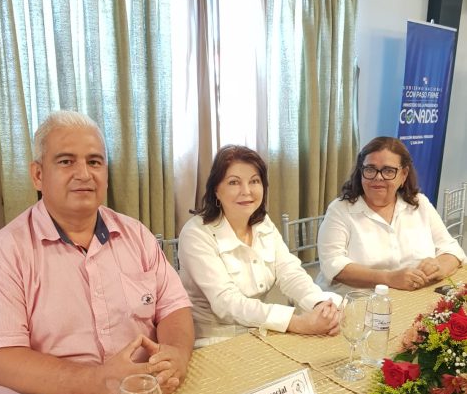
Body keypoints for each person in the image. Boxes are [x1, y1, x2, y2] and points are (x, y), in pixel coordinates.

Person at [0, 110, 194, 394]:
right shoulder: (0, 255)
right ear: (38, 175)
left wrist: (175, 353)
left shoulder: (137, 235)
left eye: (94, 162)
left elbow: (174, 307)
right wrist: (99, 381)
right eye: (66, 161)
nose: (84, 174)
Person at [178, 145, 340, 347]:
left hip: (260, 331)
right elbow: (226, 302)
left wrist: (319, 304)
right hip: (213, 341)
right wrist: (297, 323)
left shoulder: (262, 223)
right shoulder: (196, 233)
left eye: (254, 181)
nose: (246, 191)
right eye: (234, 182)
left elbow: (289, 272)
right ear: (216, 190)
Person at [316, 136, 466, 293]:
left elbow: (452, 250)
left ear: (404, 174)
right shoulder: (340, 210)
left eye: (388, 171)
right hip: (356, 300)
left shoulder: (420, 203)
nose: (378, 177)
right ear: (361, 172)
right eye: (370, 169)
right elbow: (333, 264)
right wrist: (388, 278)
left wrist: (439, 267)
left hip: (415, 297)